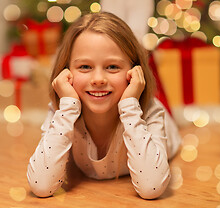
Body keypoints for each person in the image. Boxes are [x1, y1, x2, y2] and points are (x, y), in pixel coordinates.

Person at [27, 12, 181, 199]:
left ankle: (136, 29)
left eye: (112, 67)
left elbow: (152, 187)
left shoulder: (149, 111)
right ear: (66, 72)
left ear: (134, 72)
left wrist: (130, 106)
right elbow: (41, 185)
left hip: (160, 120)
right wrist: (67, 108)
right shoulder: (62, 110)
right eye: (85, 67)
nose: (98, 79)